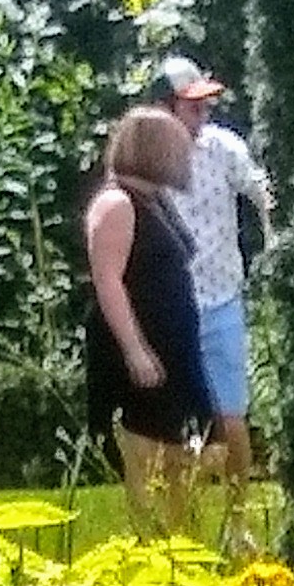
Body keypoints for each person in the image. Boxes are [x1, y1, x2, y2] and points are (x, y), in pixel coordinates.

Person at [155, 54, 274, 523]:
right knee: (171, 425)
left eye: (206, 105)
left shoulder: (224, 148)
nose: (203, 113)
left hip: (222, 298)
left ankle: (238, 519)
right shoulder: (150, 161)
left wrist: (271, 223)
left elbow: (256, 186)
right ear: (165, 107)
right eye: (193, 106)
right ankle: (178, 526)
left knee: (231, 416)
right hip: (171, 307)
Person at [84, 106, 211, 531]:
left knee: (184, 454)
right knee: (147, 454)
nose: (187, 157)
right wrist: (134, 350)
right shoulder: (117, 204)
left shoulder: (156, 201)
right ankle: (150, 546)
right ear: (155, 152)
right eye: (178, 149)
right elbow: (108, 280)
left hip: (172, 346)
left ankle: (180, 542)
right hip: (141, 346)